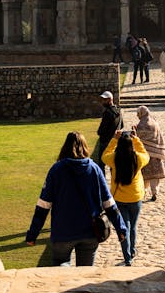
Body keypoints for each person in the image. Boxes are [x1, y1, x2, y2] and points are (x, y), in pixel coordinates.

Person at [25, 131, 126, 266]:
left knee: (61, 268)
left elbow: (43, 205)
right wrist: (121, 228)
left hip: (63, 231)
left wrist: (33, 234)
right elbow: (109, 203)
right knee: (84, 273)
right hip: (90, 231)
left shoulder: (56, 170)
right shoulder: (94, 169)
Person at [102, 130, 150, 265]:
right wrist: (136, 139)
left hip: (119, 198)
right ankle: (132, 250)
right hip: (135, 197)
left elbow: (104, 156)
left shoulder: (114, 158)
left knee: (124, 228)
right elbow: (146, 155)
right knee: (132, 227)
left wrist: (114, 139)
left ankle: (127, 256)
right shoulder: (138, 159)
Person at [135, 105, 165, 200]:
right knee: (155, 177)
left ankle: (143, 192)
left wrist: (135, 130)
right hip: (155, 153)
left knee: (144, 176)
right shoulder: (155, 123)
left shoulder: (141, 125)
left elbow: (138, 138)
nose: (138, 116)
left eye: (138, 114)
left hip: (144, 154)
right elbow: (159, 137)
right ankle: (155, 193)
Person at [97, 91, 124, 173]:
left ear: (110, 100)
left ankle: (102, 183)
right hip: (115, 141)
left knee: (101, 164)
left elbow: (101, 129)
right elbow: (122, 125)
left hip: (105, 141)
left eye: (104, 100)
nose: (102, 101)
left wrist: (100, 132)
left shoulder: (108, 113)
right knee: (114, 164)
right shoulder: (118, 111)